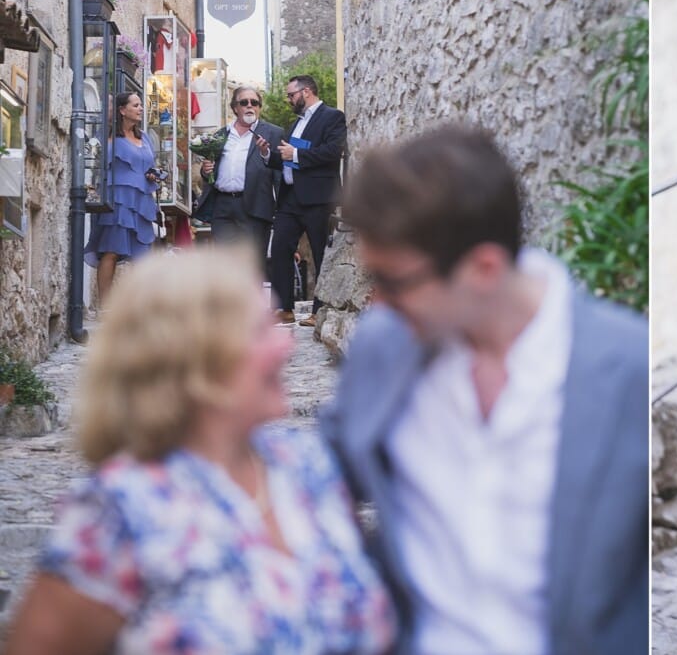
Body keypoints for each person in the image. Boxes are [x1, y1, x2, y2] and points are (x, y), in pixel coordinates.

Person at [323, 125, 648, 655]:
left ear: (483, 269)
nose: (377, 303)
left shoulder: (627, 369)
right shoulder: (387, 347)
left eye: (396, 282)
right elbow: (319, 478)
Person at [3, 246, 396, 655]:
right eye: (260, 330)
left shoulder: (307, 465)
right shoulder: (121, 509)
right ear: (193, 358)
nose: (287, 347)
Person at [269, 74, 346, 327]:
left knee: (320, 251)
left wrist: (298, 153)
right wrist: (268, 155)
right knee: (280, 247)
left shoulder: (332, 117)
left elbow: (333, 152)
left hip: (318, 197)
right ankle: (284, 307)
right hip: (290, 198)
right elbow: (288, 158)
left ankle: (320, 310)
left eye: (291, 94)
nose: (289, 99)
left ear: (307, 91)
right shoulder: (295, 124)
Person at [83, 91, 158, 304]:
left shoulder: (145, 137)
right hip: (118, 199)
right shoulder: (109, 136)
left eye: (141, 104)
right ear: (122, 110)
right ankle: (105, 307)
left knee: (142, 256)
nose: (140, 108)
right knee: (111, 251)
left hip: (141, 200)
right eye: (135, 105)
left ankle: (140, 308)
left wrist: (154, 174)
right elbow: (96, 159)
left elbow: (149, 166)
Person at [194, 85, 285, 260]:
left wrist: (281, 211)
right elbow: (210, 171)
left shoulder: (273, 133)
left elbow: (281, 171)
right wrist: (206, 171)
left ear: (259, 107)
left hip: (256, 206)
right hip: (223, 207)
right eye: (244, 102)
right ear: (235, 108)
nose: (250, 106)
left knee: (253, 263)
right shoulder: (221, 135)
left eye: (255, 103)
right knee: (225, 263)